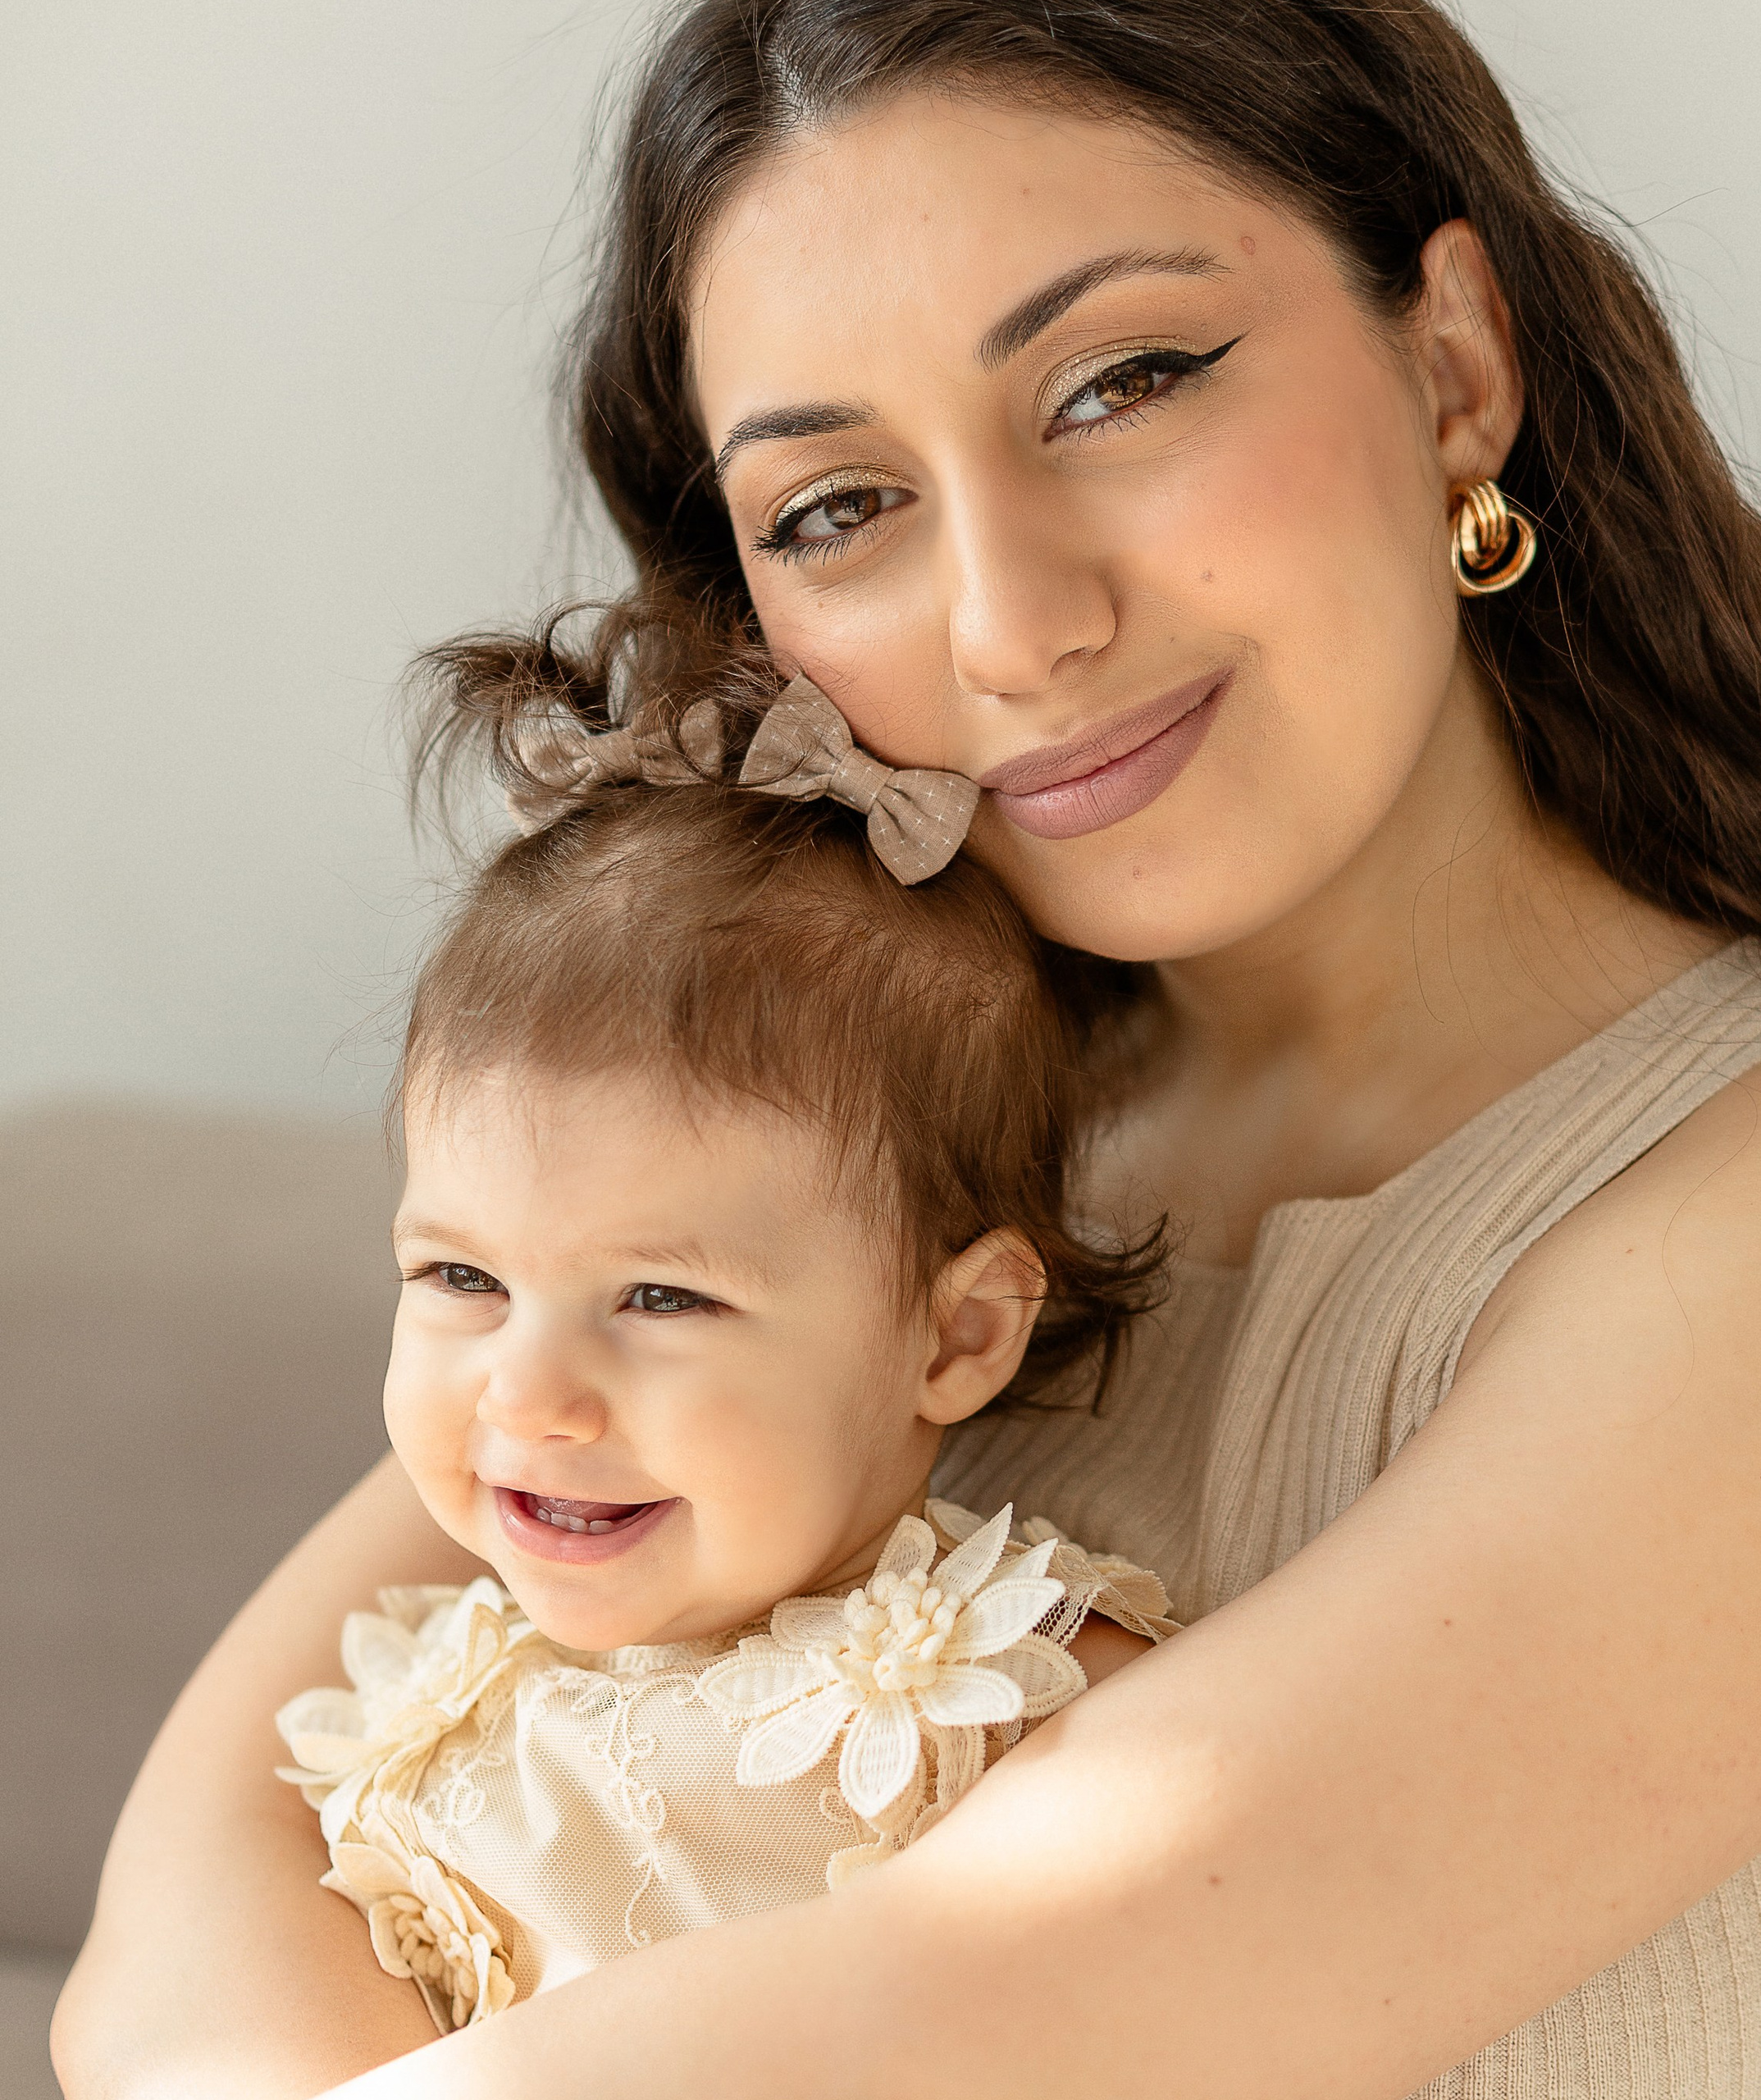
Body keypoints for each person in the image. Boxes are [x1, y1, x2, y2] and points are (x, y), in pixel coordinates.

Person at [56, 3, 1761, 2095]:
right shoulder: (862, 1138)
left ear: (1453, 363)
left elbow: (999, 2011)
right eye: (840, 504)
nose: (1010, 622)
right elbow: (185, 1937)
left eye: (1119, 383)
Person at [267, 627, 1173, 2035]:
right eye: (460, 1278)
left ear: (957, 1339)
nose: (533, 1394)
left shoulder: (1011, 1695)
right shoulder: (432, 1681)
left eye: (663, 1298)